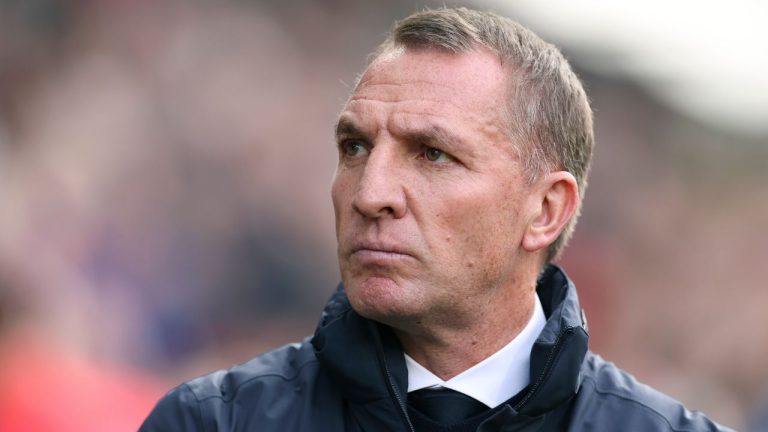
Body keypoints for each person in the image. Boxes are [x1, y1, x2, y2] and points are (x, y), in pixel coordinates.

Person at [141, 7, 731, 431]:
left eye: (432, 154)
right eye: (355, 147)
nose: (371, 193)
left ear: (545, 211)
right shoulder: (210, 421)